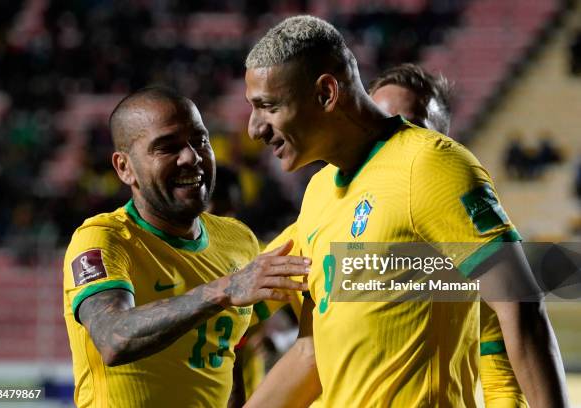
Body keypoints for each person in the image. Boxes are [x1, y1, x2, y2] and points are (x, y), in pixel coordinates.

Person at [243, 16, 568, 407]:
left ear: (327, 94)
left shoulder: (431, 166)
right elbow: (311, 352)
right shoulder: (320, 192)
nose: (253, 128)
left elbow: (519, 309)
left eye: (268, 107)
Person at [62, 86, 311, 408]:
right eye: (166, 147)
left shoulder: (238, 239)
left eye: (200, 140)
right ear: (125, 167)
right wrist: (225, 289)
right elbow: (112, 338)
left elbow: (235, 348)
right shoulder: (105, 238)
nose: (191, 156)